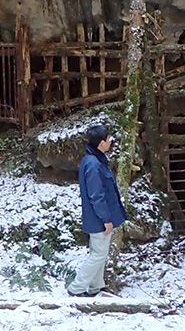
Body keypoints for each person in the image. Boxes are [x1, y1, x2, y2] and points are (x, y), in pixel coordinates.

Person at [66, 123, 128, 297]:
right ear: (101, 142)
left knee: (99, 252)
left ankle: (96, 286)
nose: (110, 142)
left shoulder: (95, 159)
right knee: (98, 255)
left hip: (98, 217)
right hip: (98, 218)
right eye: (108, 139)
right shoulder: (93, 164)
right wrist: (106, 219)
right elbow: (96, 195)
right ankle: (76, 288)